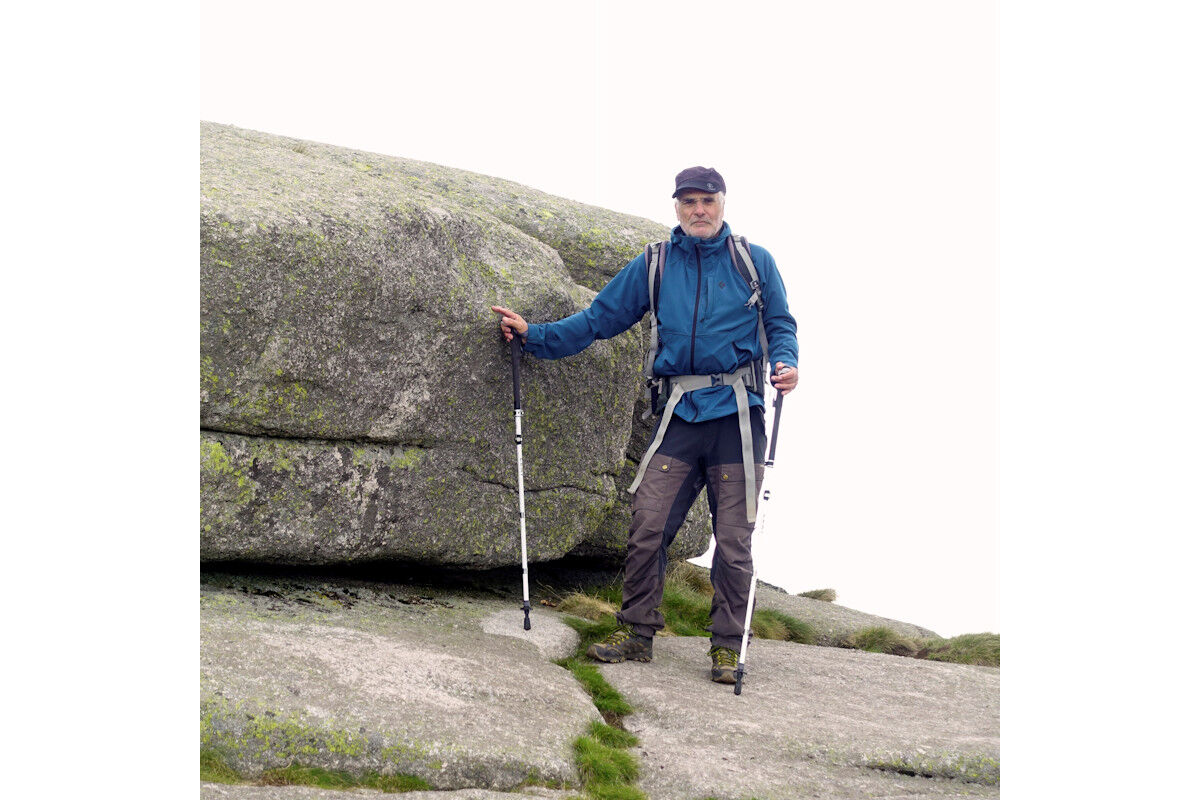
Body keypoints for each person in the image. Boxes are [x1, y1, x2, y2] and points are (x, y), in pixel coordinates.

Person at [491, 166, 797, 683]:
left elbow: (780, 324)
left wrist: (784, 364)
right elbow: (598, 319)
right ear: (676, 207)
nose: (699, 210)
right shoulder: (655, 263)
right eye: (688, 202)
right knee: (648, 525)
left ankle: (726, 647)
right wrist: (534, 336)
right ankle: (636, 632)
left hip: (738, 418)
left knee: (735, 538)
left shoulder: (753, 261)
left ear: (723, 203)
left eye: (707, 200)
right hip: (678, 414)